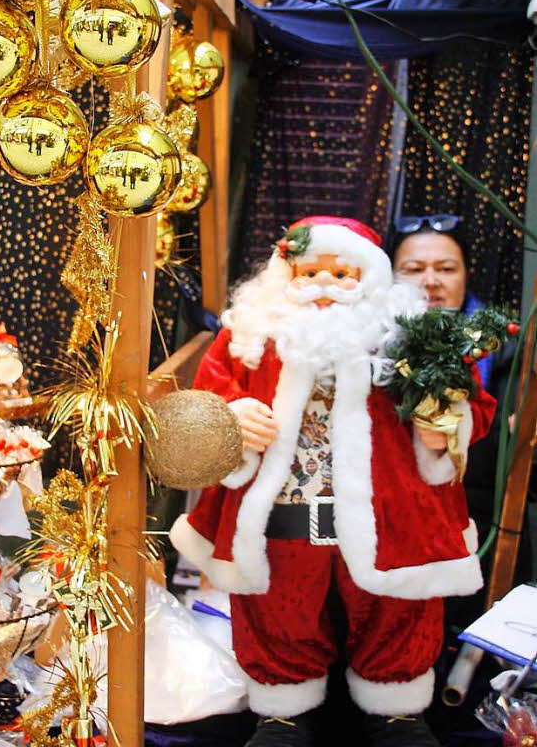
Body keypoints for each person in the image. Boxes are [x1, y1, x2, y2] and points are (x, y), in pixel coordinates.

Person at [170, 216, 495, 747]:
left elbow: (472, 405)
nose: (325, 285)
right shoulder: (248, 338)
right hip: (283, 519)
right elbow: (210, 396)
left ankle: (397, 710)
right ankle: (281, 711)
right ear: (283, 275)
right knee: (277, 610)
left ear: (371, 280)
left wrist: (448, 424)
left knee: (398, 612)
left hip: (392, 520)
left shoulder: (408, 338)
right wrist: (232, 417)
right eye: (309, 272)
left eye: (344, 274)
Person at [391, 213, 526, 626]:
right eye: (413, 269)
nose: (430, 281)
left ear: (466, 275)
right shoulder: (367, 349)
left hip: (477, 526)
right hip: (387, 528)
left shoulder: (506, 349)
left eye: (446, 268)